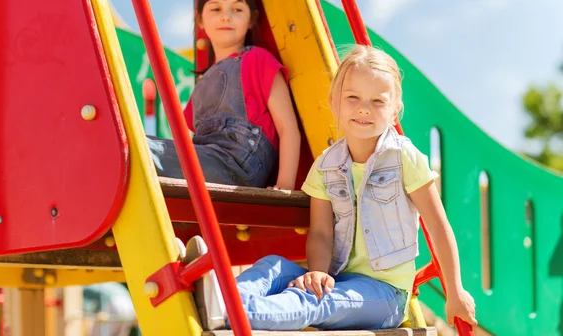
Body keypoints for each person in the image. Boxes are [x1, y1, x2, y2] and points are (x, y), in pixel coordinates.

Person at [182, 45, 478, 331]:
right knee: (274, 267)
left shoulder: (404, 158)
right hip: (338, 277)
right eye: (353, 97)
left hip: (384, 295)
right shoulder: (326, 166)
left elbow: (438, 227)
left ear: (394, 111)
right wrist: (318, 272)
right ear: (334, 101)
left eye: (377, 101)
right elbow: (321, 232)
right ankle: (224, 296)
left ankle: (231, 311)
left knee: (314, 300)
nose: (364, 109)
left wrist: (455, 291)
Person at [147, 0, 300, 190]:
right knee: (132, 146)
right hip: (205, 160)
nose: (226, 16)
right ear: (200, 19)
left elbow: (288, 128)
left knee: (139, 149)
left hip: (238, 166)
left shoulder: (258, 60)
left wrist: (285, 184)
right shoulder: (202, 84)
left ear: (252, 19)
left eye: (237, 9)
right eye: (216, 8)